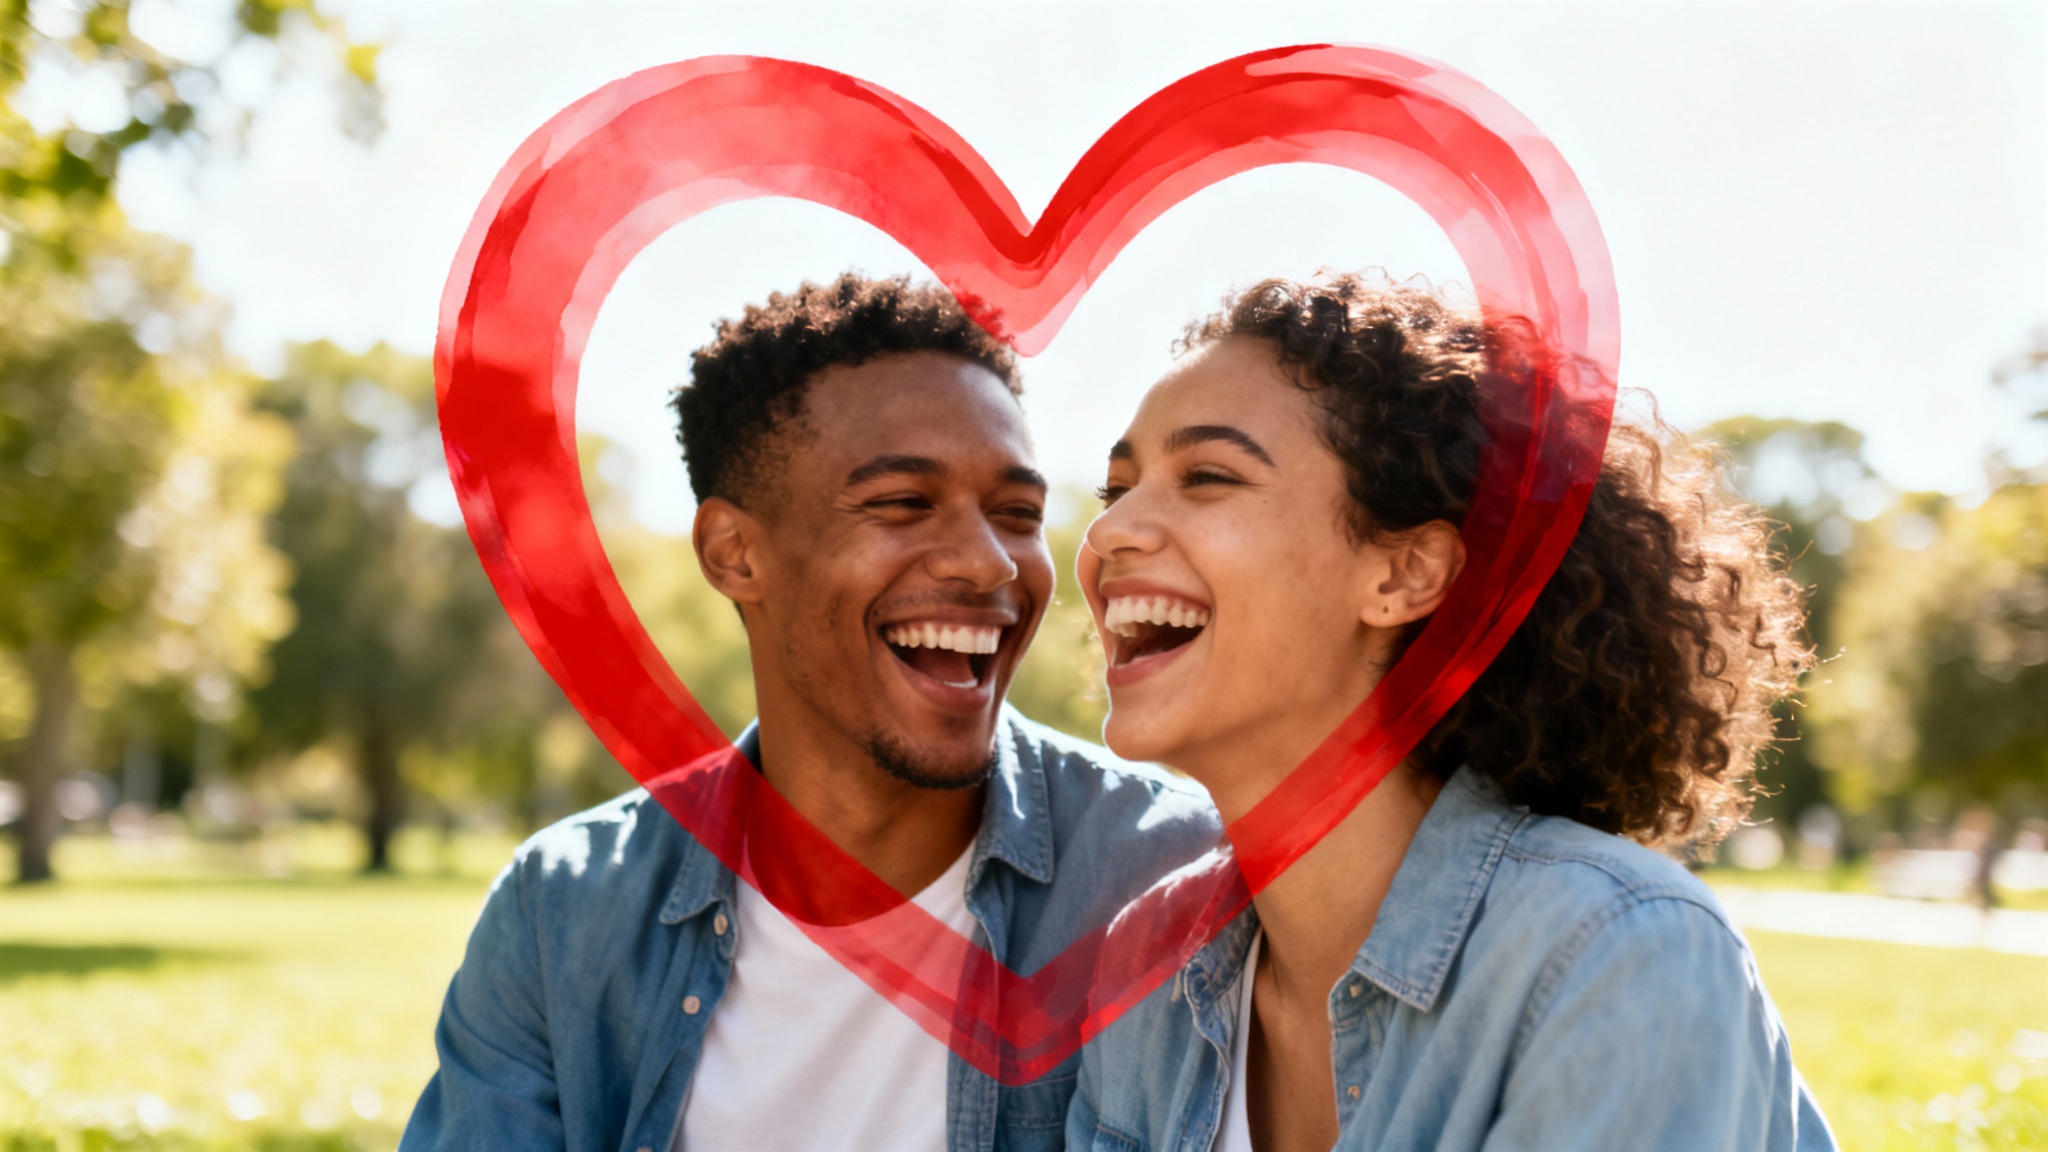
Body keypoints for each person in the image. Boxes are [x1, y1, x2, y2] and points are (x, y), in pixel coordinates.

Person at [399, 273, 1217, 1152]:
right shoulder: (561, 912)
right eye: (904, 503)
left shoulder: (1177, 880)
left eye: (1017, 513)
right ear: (734, 553)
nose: (989, 564)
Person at [1064, 274, 1837, 1151]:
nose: (1110, 530)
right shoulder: (1145, 962)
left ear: (1404, 575)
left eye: (1207, 476)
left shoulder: (1616, 952)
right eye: (1114, 490)